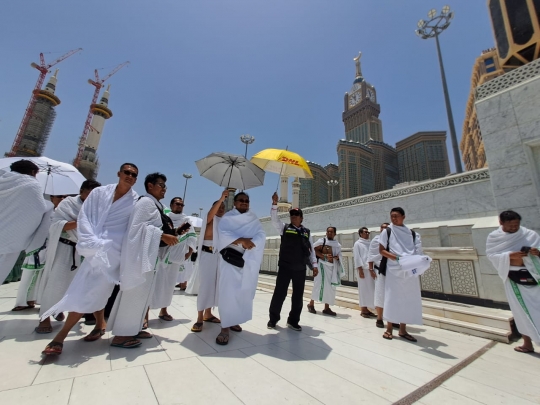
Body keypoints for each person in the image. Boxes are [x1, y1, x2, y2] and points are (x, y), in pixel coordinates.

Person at [40, 163, 139, 355]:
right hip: (93, 249)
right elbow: (84, 217)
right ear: (119, 173)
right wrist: (90, 241)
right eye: (126, 172)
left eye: (133, 175)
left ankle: (96, 326)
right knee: (88, 291)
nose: (129, 176)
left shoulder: (134, 201)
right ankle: (61, 336)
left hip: (114, 254)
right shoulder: (99, 193)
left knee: (96, 291)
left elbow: (135, 228)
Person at [108, 173, 190, 348]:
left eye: (165, 186)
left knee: (142, 297)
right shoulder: (145, 203)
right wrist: (162, 235)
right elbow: (137, 229)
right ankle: (121, 335)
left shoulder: (156, 205)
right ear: (150, 186)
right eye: (161, 185)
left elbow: (154, 228)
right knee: (134, 296)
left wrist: (173, 234)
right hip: (139, 259)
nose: (164, 189)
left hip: (149, 257)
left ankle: (133, 328)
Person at [34, 181, 101, 334]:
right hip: (65, 247)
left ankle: (63, 311)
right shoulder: (68, 204)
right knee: (55, 284)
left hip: (84, 251)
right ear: (82, 191)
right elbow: (56, 225)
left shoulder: (97, 209)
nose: (92, 196)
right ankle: (44, 317)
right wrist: (79, 223)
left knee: (79, 287)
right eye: (90, 192)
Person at [215, 192, 265, 345]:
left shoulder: (253, 219)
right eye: (241, 200)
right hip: (229, 261)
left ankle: (234, 320)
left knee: (241, 293)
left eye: (246, 201)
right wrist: (241, 240)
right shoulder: (228, 218)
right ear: (235, 202)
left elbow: (261, 234)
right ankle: (224, 327)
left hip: (247, 261)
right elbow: (222, 234)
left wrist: (252, 242)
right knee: (227, 294)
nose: (244, 203)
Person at [486, 210, 540, 354]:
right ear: (501, 223)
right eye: (510, 226)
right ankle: (527, 343)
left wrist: (537, 252)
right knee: (520, 312)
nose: (514, 228)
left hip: (534, 278)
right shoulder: (494, 237)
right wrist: (510, 255)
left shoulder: (529, 234)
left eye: (516, 225)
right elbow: (492, 255)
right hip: (514, 279)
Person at [267, 193, 317, 331]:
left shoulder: (307, 232)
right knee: (280, 293)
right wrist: (274, 204)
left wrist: (314, 265)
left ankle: (293, 320)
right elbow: (274, 220)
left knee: (298, 296)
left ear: (301, 218)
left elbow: (311, 250)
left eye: (296, 215)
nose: (293, 217)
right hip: (285, 266)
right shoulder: (284, 228)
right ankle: (273, 319)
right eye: (292, 215)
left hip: (300, 268)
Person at [0, 160, 53, 284]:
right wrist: (49, 206)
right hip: (11, 241)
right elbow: (37, 210)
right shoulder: (31, 185)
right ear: (33, 172)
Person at [379, 207, 423, 342]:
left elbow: (417, 252)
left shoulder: (413, 234)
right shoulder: (388, 231)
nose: (393, 218)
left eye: (396, 216)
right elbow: (381, 250)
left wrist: (411, 262)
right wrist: (397, 258)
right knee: (392, 298)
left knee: (407, 299)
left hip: (409, 270)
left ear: (403, 217)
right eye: (391, 216)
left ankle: (403, 329)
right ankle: (389, 328)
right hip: (394, 269)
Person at [190, 190, 228, 333]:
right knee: (205, 286)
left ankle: (208, 313)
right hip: (207, 254)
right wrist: (221, 198)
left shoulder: (223, 222)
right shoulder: (209, 220)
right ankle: (200, 318)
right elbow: (210, 214)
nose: (222, 209)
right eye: (219, 207)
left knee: (215, 287)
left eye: (224, 208)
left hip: (219, 256)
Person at [308, 227, 344, 316]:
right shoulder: (322, 241)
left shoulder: (337, 244)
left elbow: (339, 254)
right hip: (322, 266)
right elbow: (313, 249)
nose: (329, 233)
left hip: (332, 267)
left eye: (331, 232)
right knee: (318, 285)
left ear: (335, 234)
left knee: (330, 288)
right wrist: (324, 257)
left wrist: (337, 257)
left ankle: (326, 308)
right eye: (328, 232)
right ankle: (311, 304)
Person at [368, 223, 390, 328]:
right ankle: (379, 318)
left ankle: (392, 318)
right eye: (382, 227)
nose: (384, 229)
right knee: (380, 294)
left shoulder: (393, 239)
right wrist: (371, 269)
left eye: (386, 227)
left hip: (392, 270)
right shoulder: (376, 240)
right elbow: (371, 255)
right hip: (379, 270)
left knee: (392, 295)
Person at [168, 197, 190, 290]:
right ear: (171, 205)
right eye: (177, 204)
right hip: (164, 257)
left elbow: (192, 238)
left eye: (182, 205)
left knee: (169, 288)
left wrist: (188, 254)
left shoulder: (186, 220)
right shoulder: (165, 217)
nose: (180, 206)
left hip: (178, 257)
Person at [354, 227, 376, 318]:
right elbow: (357, 257)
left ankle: (368, 308)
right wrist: (360, 270)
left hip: (370, 269)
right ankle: (363, 309)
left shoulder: (370, 243)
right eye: (365, 232)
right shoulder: (357, 244)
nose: (367, 234)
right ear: (360, 234)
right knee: (363, 290)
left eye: (368, 232)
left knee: (370, 290)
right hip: (363, 270)